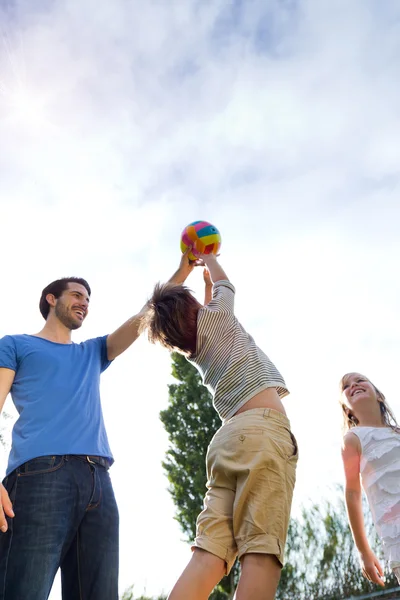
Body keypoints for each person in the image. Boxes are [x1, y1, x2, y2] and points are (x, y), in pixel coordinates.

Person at [142, 250, 298, 600]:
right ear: (195, 308)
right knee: (260, 549)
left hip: (228, 442)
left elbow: (211, 306)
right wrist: (209, 261)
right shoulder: (217, 319)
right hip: (261, 432)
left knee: (209, 553)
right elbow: (227, 287)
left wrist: (205, 287)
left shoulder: (194, 348)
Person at [0, 276, 147, 600]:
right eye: (77, 295)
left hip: (99, 482)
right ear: (51, 299)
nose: (84, 302)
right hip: (40, 476)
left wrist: (180, 275)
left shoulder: (93, 351)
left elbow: (143, 319)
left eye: (89, 299)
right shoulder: (15, 345)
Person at [340, 372, 400, 587]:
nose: (354, 385)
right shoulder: (353, 439)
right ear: (347, 410)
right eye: (346, 386)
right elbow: (353, 493)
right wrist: (363, 550)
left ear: (379, 396)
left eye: (360, 380)